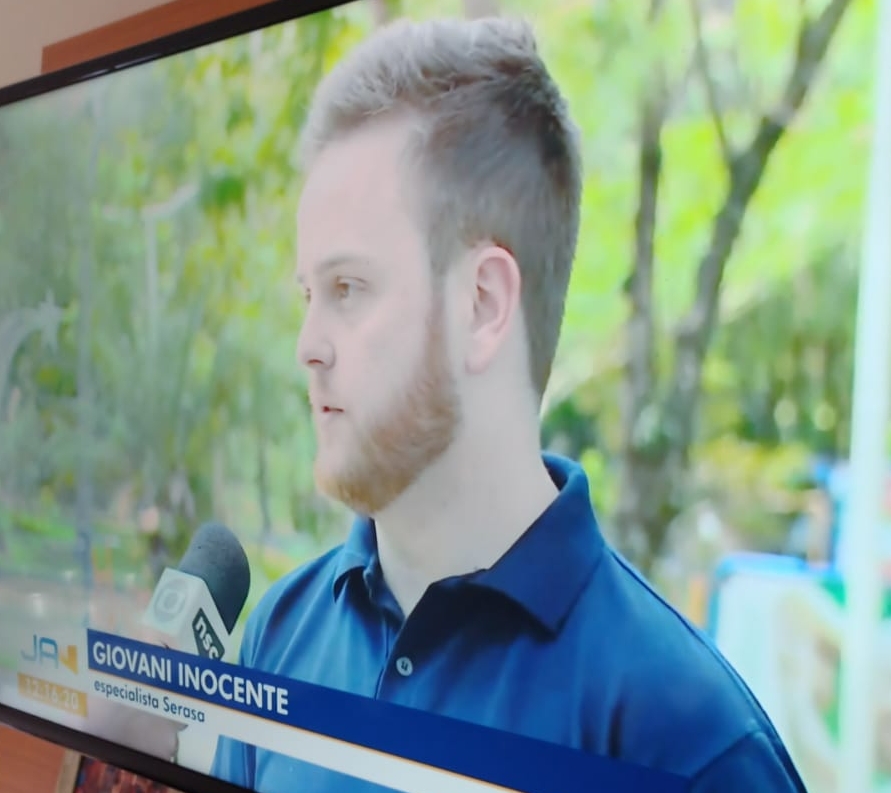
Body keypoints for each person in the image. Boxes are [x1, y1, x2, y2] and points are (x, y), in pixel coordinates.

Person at [210, 14, 807, 793]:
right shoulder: (278, 636)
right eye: (308, 294)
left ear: (483, 304)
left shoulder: (687, 745)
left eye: (348, 288)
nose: (307, 344)